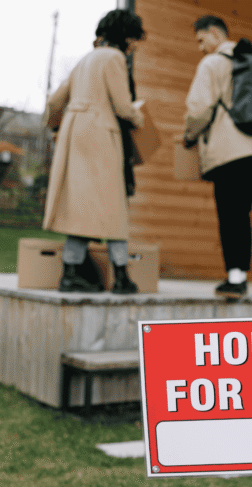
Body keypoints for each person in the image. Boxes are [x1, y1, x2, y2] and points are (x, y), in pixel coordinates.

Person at [42, 9, 146, 294]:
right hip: (101, 131)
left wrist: (55, 128)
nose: (135, 45)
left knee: (81, 205)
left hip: (75, 131)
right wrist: (140, 117)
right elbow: (123, 106)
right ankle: (122, 276)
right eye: (135, 38)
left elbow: (54, 102)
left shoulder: (84, 60)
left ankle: (70, 273)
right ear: (126, 36)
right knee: (114, 204)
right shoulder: (114, 58)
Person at [183, 15, 252, 299]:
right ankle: (239, 276)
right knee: (242, 212)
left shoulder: (212, 63)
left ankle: (236, 280)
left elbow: (199, 110)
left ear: (214, 33)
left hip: (229, 151)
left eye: (201, 39)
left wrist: (189, 134)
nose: (200, 47)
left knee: (230, 213)